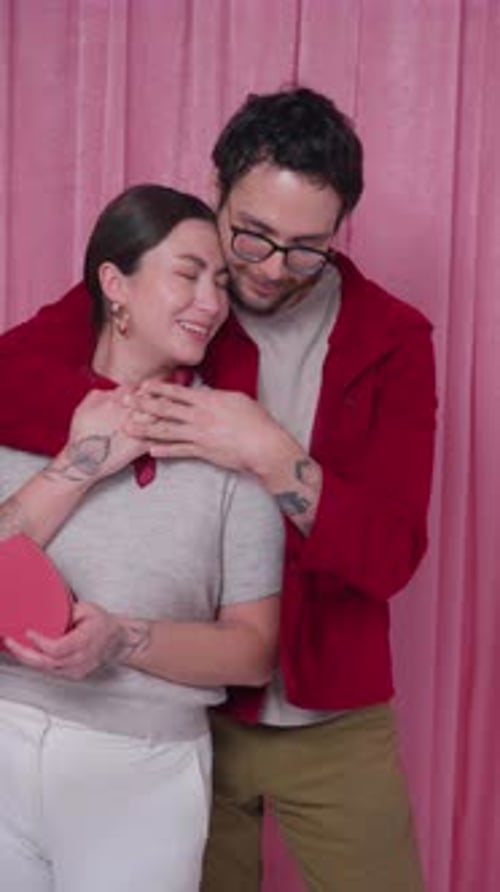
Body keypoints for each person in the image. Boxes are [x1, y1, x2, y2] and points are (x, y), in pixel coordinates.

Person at [0, 87, 437, 892]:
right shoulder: (186, 291)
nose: (271, 268)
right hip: (187, 707)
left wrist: (270, 453)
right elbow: (13, 375)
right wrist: (139, 418)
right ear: (218, 189)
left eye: (307, 247)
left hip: (329, 713)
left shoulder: (394, 338)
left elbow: (390, 555)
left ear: (340, 228)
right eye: (254, 235)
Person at [0, 183, 284, 892]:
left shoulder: (232, 445)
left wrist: (122, 638)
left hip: (142, 772)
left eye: (220, 282)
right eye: (188, 274)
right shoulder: (19, 411)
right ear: (114, 283)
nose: (214, 302)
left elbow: (252, 652)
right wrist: (80, 461)